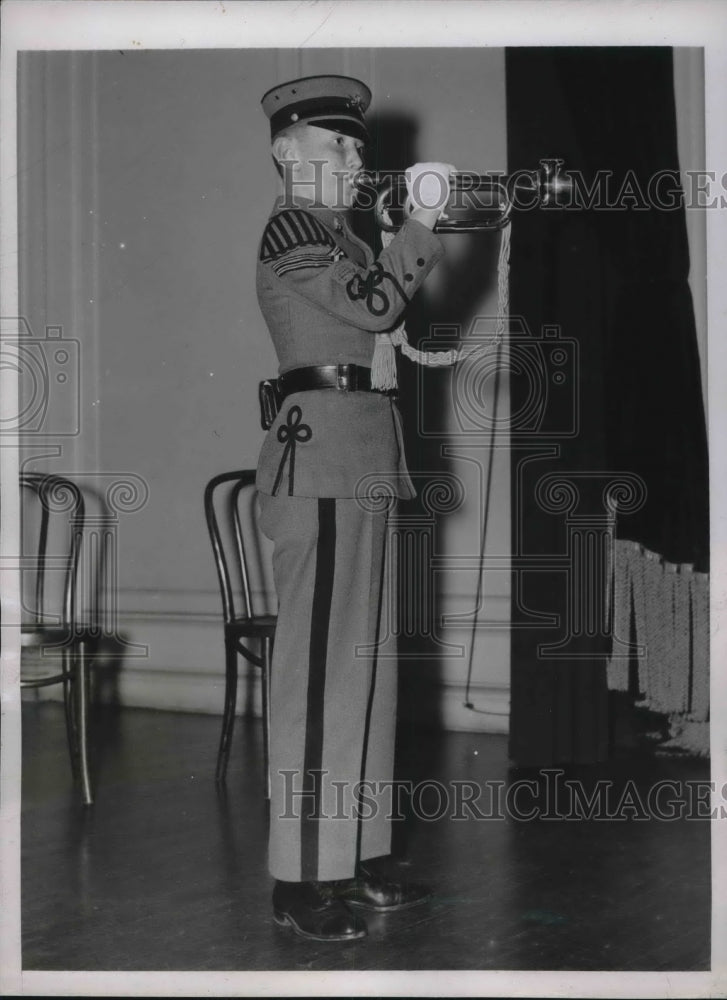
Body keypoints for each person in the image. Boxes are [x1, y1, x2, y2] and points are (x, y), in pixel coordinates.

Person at [255, 74, 453, 942]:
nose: (355, 156)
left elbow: (379, 325)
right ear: (286, 152)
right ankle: (301, 874)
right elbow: (374, 304)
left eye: (356, 145)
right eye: (337, 144)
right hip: (322, 464)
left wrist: (395, 236)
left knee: (366, 671)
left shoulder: (339, 233)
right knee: (315, 677)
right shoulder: (293, 225)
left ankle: (357, 852)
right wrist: (421, 226)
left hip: (363, 461)